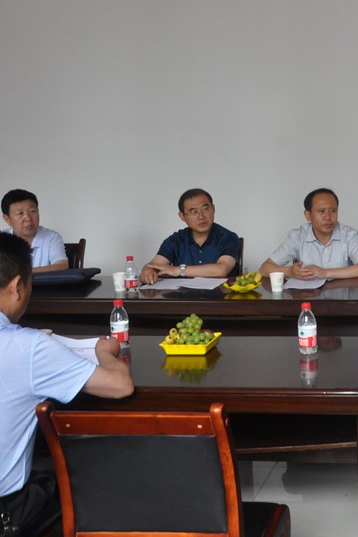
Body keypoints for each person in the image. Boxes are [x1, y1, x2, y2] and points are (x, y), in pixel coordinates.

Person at [0, 233, 134, 536]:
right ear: (17, 286)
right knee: (93, 482)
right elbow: (120, 385)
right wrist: (104, 353)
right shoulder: (27, 347)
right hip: (8, 513)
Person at [259, 188, 358, 281]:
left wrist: (325, 273)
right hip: (308, 297)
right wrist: (289, 271)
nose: (328, 217)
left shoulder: (349, 234)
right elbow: (264, 269)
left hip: (341, 297)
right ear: (308, 215)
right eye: (321, 211)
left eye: (333, 211)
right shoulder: (297, 236)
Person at [140, 188, 241, 285]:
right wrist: (148, 272)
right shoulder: (176, 240)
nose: (201, 216)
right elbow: (153, 265)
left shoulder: (228, 237)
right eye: (194, 212)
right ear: (182, 216)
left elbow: (221, 270)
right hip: (183, 296)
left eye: (205, 209)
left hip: (219, 296)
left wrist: (178, 270)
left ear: (213, 209)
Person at [1, 189, 68, 272]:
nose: (28, 218)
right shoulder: (2, 240)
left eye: (32, 211)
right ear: (7, 219)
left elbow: (62, 266)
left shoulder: (52, 238)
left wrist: (24, 273)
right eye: (20, 213)